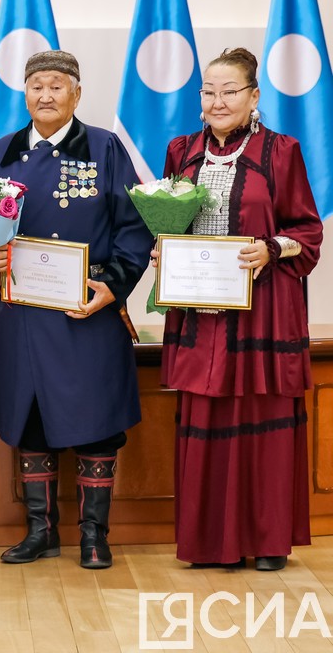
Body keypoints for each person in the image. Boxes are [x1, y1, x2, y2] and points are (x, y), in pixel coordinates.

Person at [0, 50, 153, 569]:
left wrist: (112, 288)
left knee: (96, 420)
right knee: (30, 418)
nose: (45, 95)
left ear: (76, 92)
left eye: (56, 85)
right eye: (36, 86)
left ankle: (95, 536)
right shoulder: (1, 152)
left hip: (86, 312)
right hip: (22, 314)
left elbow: (133, 227)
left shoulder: (105, 148)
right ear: (24, 93)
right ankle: (40, 532)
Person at [157, 47, 322, 571]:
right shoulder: (181, 151)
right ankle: (210, 545)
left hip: (262, 314)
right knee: (206, 419)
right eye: (209, 91)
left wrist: (272, 248)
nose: (218, 100)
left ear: (254, 97)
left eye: (231, 91)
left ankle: (268, 540)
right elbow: (169, 220)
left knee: (262, 416)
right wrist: (163, 245)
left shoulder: (281, 151)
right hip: (200, 316)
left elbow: (307, 232)